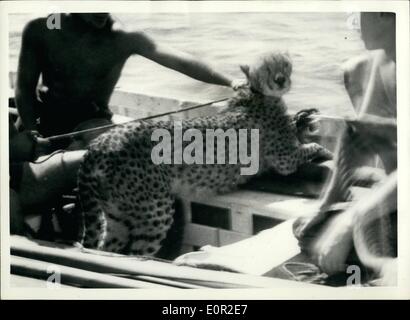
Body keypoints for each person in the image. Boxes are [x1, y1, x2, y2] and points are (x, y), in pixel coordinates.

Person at [15, 13, 246, 146]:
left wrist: (232, 82)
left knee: (114, 156)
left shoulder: (122, 36)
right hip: (41, 118)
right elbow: (24, 89)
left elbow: (181, 61)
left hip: (91, 121)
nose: (101, 12)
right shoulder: (41, 28)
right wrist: (31, 132)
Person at [294, 12, 397, 278]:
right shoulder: (366, 66)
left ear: (388, 14)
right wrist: (326, 206)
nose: (357, 24)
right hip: (395, 196)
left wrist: (351, 221)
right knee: (309, 231)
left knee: (342, 240)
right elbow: (358, 133)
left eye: (364, 14)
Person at [9, 115, 86, 235]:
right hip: (14, 184)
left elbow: (12, 141)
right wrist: (24, 144)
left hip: (19, 170)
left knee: (91, 157)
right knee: (92, 159)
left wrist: (25, 140)